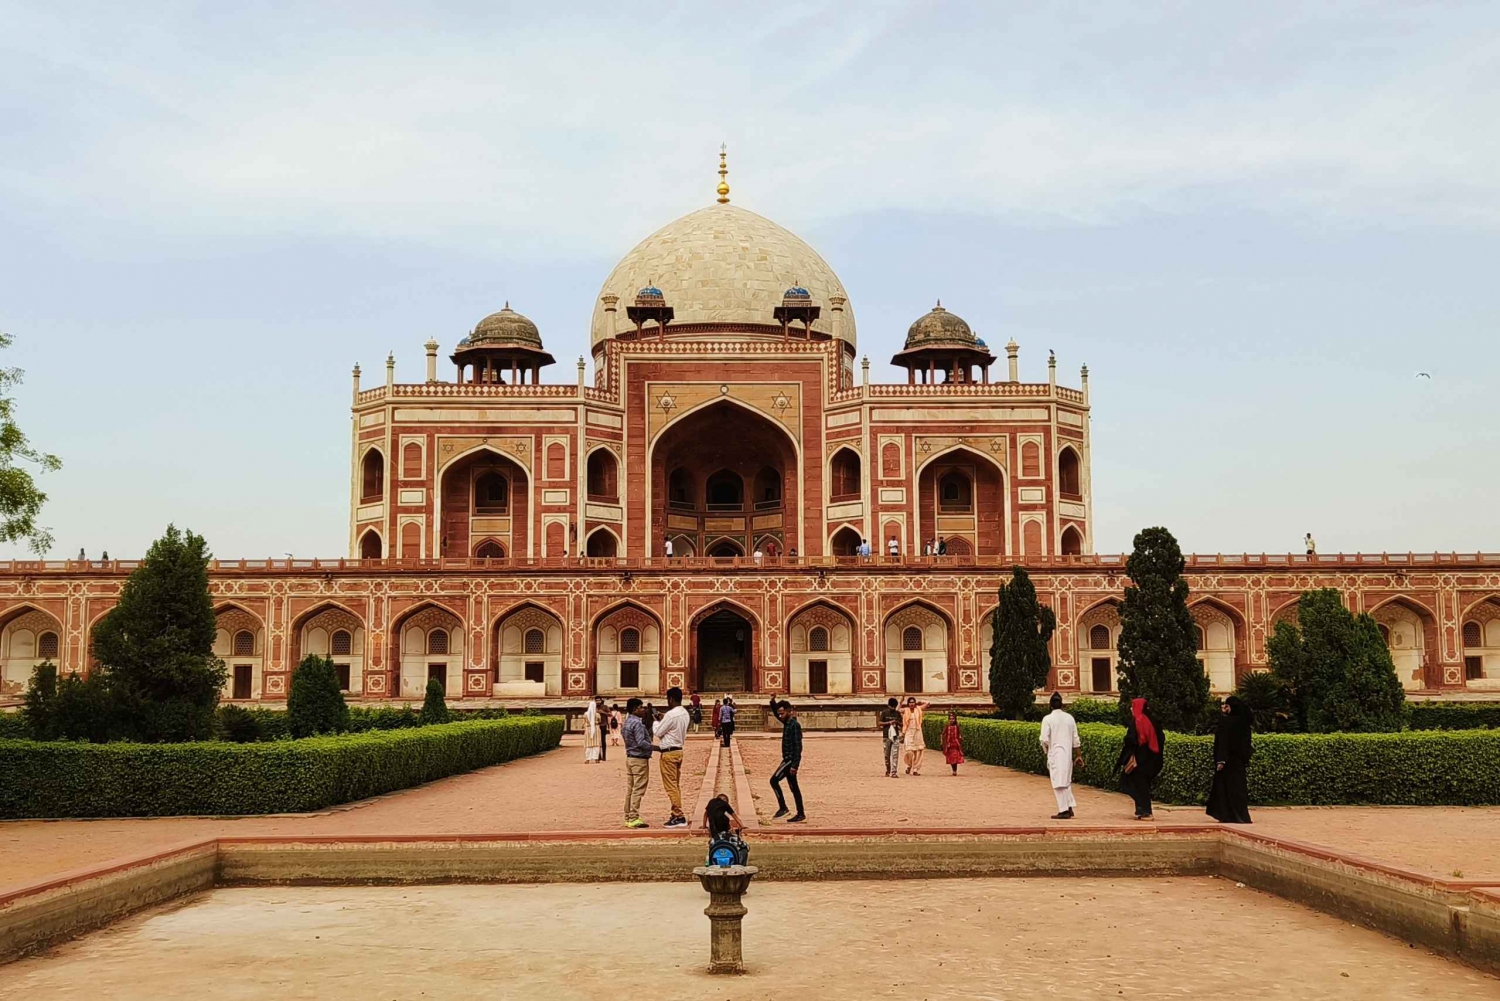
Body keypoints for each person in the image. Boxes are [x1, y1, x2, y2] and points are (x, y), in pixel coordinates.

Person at [1206, 695, 1254, 824]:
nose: (1224, 709)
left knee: (1226, 789)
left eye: (1226, 706)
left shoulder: (1227, 722)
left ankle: (1228, 815)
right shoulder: (1244, 723)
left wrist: (1221, 760)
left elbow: (1223, 742)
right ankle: (1239, 815)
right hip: (1238, 762)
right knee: (1238, 788)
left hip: (1227, 763)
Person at [1117, 697, 1164, 820]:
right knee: (1143, 785)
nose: (1131, 709)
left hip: (1140, 760)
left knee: (1132, 783)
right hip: (1153, 759)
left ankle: (1145, 811)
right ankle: (1142, 809)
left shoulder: (1137, 721)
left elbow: (1131, 740)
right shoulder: (1153, 720)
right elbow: (1161, 739)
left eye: (1133, 706)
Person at [1039, 692, 1083, 819]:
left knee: (1058, 782)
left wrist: (1047, 751)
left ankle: (1063, 810)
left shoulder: (1047, 719)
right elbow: (1076, 739)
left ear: (1050, 706)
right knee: (1066, 781)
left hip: (1055, 754)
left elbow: (1044, 739)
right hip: (1067, 755)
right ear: (1062, 705)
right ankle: (1069, 806)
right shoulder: (1069, 718)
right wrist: (1078, 755)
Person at [654, 686, 691, 827]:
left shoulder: (670, 714)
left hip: (668, 753)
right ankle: (675, 812)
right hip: (678, 751)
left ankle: (678, 815)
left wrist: (656, 722)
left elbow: (658, 732)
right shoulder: (684, 713)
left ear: (670, 699)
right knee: (675, 785)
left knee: (671, 787)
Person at [770, 700, 805, 822]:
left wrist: (795, 765)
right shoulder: (787, 723)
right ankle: (800, 813)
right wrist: (772, 701)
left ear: (789, 712)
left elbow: (798, 746)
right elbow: (776, 713)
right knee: (794, 787)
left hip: (790, 760)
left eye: (782, 713)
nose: (780, 716)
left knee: (774, 780)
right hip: (787, 759)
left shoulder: (794, 725)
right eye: (779, 714)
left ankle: (783, 807)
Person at [622, 698, 654, 828]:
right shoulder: (638, 724)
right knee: (638, 789)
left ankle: (628, 817)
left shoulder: (626, 722)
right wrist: (654, 747)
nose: (643, 710)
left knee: (630, 789)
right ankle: (634, 816)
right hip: (639, 759)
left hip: (630, 757)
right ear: (635, 709)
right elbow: (641, 742)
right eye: (641, 707)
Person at [900, 697, 930, 775]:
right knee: (909, 751)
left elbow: (928, 703)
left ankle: (915, 769)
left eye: (913, 702)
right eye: (910, 702)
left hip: (917, 732)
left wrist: (921, 701)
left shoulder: (918, 709)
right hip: (908, 732)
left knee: (918, 751)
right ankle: (909, 765)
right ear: (908, 704)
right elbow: (897, 710)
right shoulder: (905, 710)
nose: (912, 704)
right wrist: (900, 702)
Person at [876, 697, 903, 777]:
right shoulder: (884, 713)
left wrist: (897, 722)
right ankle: (888, 769)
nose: (893, 708)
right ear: (888, 705)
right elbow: (880, 723)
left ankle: (894, 771)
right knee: (887, 755)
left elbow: (902, 724)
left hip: (895, 736)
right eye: (892, 706)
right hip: (886, 736)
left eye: (894, 707)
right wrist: (888, 722)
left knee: (895, 754)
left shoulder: (897, 713)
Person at [941, 710, 965, 775]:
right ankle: (953, 770)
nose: (951, 720)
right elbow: (943, 734)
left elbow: (959, 734)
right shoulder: (947, 726)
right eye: (950, 719)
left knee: (955, 758)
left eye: (953, 719)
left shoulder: (957, 726)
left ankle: (955, 771)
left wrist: (960, 741)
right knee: (951, 758)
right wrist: (943, 742)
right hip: (949, 745)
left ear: (955, 719)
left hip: (955, 744)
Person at [583, 698, 602, 764]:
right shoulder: (597, 714)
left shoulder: (585, 714)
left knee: (588, 744)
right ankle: (596, 759)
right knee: (596, 744)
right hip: (596, 729)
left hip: (588, 729)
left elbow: (584, 722)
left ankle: (588, 759)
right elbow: (600, 721)